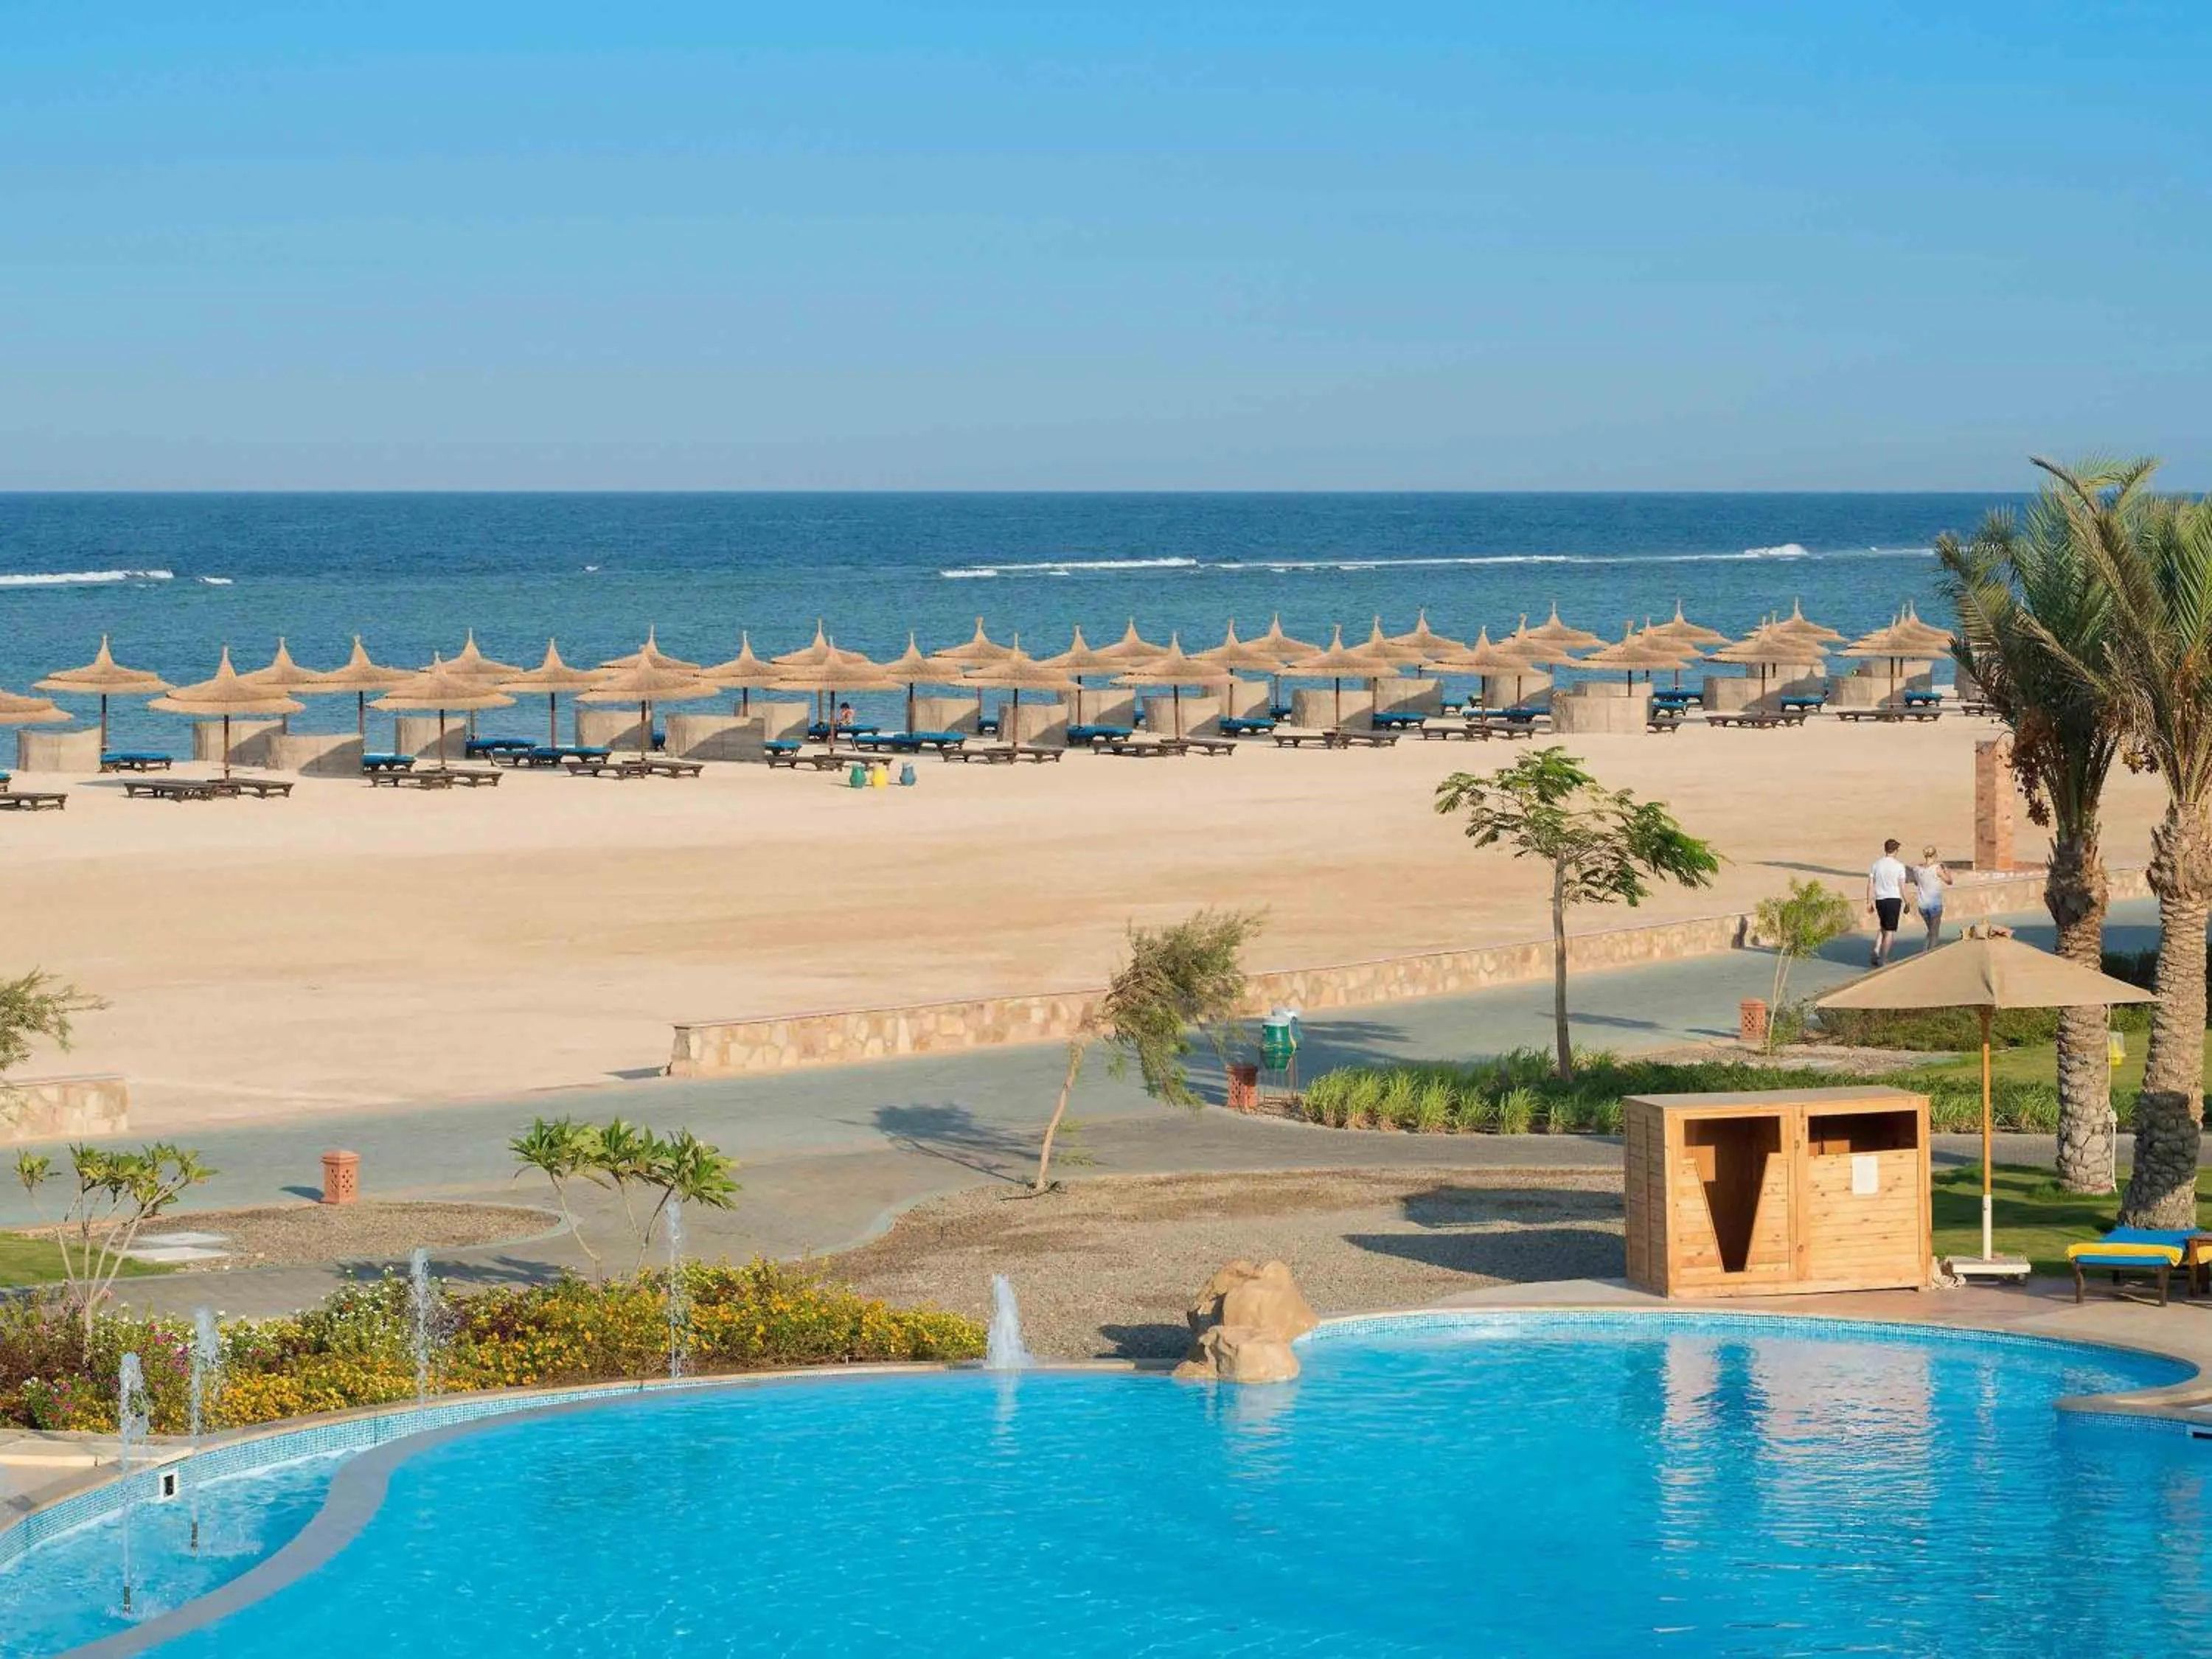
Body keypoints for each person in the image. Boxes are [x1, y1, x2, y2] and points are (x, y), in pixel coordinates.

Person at [1866, 838, 1909, 967]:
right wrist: (1907, 902)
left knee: (1884, 926)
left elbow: (1870, 885)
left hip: (1880, 900)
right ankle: (1883, 959)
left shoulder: (1876, 865)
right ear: (1895, 851)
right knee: (1890, 931)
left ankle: (1876, 951)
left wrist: (1869, 902)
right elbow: (1902, 887)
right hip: (1893, 900)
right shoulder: (1899, 866)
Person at [1911, 844, 1954, 953]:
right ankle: (1929, 955)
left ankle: (1924, 951)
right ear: (1934, 855)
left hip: (1922, 906)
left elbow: (1916, 883)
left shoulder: (1916, 869)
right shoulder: (1937, 869)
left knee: (1931, 930)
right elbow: (1949, 882)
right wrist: (1947, 871)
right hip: (1935, 906)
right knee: (1934, 934)